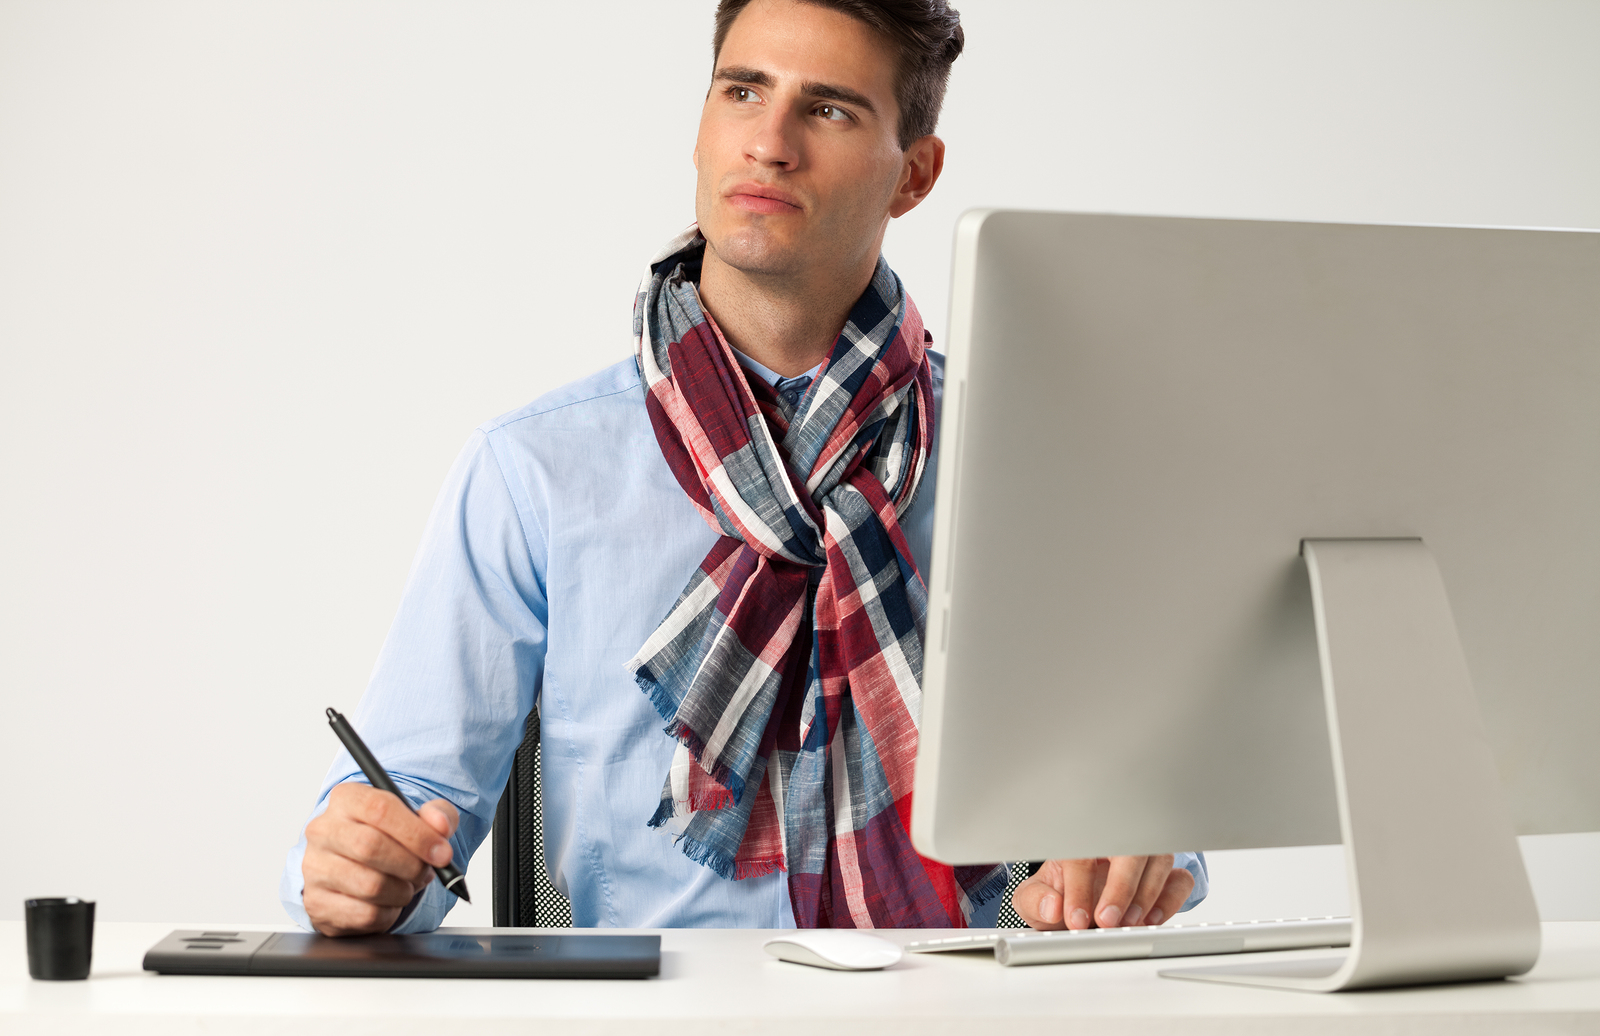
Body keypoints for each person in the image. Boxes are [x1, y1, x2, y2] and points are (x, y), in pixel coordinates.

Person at [281, 0, 1207, 937]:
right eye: (743, 92)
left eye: (829, 109)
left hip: (956, 994)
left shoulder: (1031, 458)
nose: (769, 143)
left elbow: (1142, 785)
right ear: (701, 125)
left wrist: (1126, 848)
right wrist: (365, 868)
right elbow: (407, 802)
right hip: (657, 1004)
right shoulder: (534, 472)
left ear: (914, 176)